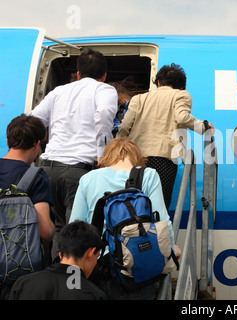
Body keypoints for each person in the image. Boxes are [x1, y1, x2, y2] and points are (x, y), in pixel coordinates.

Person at [30, 48, 118, 259]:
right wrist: (102, 152)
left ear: (78, 74)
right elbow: (105, 113)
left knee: (59, 230)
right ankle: (73, 288)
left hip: (48, 169)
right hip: (77, 173)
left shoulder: (58, 92)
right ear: (104, 75)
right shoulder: (104, 90)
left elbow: (34, 119)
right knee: (76, 235)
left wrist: (38, 149)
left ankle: (55, 281)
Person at [70, 137, 180, 299]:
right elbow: (162, 221)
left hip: (99, 261)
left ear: (108, 157)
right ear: (136, 157)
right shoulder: (149, 175)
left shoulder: (88, 178)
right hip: (138, 261)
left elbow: (75, 225)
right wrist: (170, 248)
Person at [117, 63, 214, 209]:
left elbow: (124, 126)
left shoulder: (138, 98)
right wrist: (204, 127)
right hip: (163, 159)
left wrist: (117, 148)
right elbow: (181, 117)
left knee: (134, 205)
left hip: (136, 159)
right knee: (158, 206)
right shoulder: (181, 95)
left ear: (158, 82)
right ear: (180, 86)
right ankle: (157, 231)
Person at [0, 114, 55, 299]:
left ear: (8, 141)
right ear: (36, 145)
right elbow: (45, 231)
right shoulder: (35, 176)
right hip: (17, 272)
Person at [9, 220, 107, 300]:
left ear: (60, 254)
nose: (96, 263)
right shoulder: (94, 295)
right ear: (90, 253)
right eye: (96, 256)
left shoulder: (23, 284)